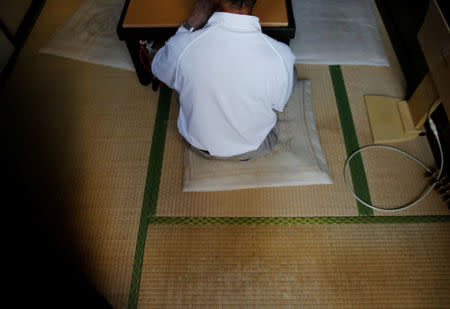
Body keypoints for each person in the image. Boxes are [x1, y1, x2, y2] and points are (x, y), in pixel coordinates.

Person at [152, 0, 295, 161]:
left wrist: (193, 21)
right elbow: (279, 103)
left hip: (198, 146)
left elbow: (158, 68)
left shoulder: (182, 47)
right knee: (284, 76)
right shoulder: (282, 56)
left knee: (179, 72)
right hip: (255, 147)